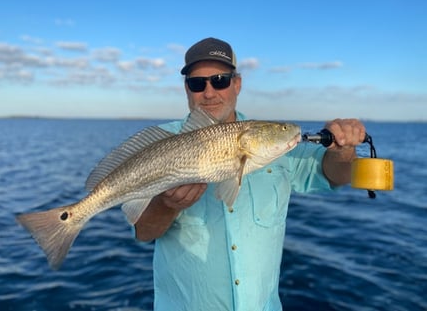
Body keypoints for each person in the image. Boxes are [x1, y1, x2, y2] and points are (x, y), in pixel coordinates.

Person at [133, 37, 366, 311]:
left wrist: (342, 151)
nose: (209, 92)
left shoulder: (275, 146)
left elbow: (335, 176)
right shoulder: (162, 142)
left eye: (220, 80)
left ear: (237, 84)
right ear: (187, 89)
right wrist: (166, 205)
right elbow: (144, 232)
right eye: (198, 84)